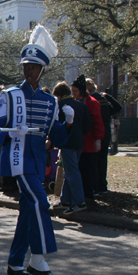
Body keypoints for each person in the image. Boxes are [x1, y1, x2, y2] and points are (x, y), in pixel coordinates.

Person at [0, 25, 69, 275]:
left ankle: (14, 262)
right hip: (17, 160)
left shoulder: (50, 101)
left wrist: (67, 123)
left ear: (42, 69)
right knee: (41, 203)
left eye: (33, 67)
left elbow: (57, 139)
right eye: (25, 66)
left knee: (28, 211)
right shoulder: (10, 96)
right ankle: (37, 258)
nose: (28, 70)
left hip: (36, 162)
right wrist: (11, 131)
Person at [53, 81, 90, 214]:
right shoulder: (81, 105)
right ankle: (66, 199)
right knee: (70, 171)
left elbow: (57, 125)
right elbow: (87, 125)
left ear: (58, 95)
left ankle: (79, 201)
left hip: (67, 142)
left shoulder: (61, 105)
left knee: (72, 172)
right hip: (79, 142)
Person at [71, 76, 104, 202]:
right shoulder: (74, 102)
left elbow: (97, 123)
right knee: (78, 168)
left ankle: (89, 194)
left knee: (88, 169)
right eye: (72, 91)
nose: (73, 94)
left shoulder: (92, 103)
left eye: (75, 91)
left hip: (89, 142)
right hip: (78, 142)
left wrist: (98, 139)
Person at [89, 83, 122, 194]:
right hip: (106, 131)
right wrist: (108, 96)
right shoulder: (103, 100)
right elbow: (117, 107)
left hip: (95, 131)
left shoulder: (91, 100)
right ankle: (102, 185)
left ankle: (94, 187)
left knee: (93, 160)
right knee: (103, 159)